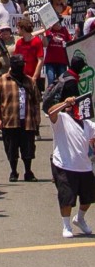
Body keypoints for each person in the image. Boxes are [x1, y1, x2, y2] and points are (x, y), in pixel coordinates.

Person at [47, 94, 95, 237]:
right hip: (65, 165)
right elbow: (51, 112)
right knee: (67, 197)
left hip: (84, 166)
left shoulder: (88, 124)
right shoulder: (62, 119)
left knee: (89, 197)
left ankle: (79, 218)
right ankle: (66, 225)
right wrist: (64, 103)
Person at [0, 55, 41, 183]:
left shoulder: (29, 81)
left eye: (22, 64)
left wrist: (37, 118)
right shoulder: (2, 81)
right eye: (18, 64)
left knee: (28, 148)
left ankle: (28, 171)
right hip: (9, 121)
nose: (21, 67)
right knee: (11, 148)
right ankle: (13, 171)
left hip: (27, 121)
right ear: (12, 65)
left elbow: (36, 101)